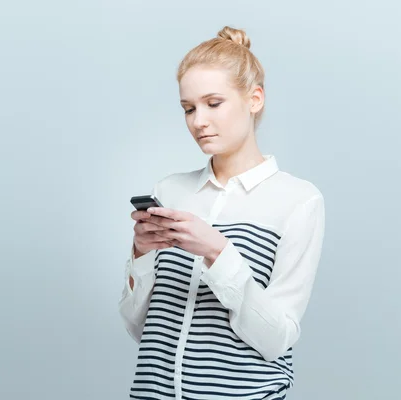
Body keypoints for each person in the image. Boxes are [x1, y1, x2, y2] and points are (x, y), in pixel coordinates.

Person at [118, 25, 326, 400]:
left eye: (214, 103)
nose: (198, 121)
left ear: (254, 99)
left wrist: (218, 252)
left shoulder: (298, 200)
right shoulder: (169, 191)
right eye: (188, 108)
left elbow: (277, 338)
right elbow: (139, 329)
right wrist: (142, 256)